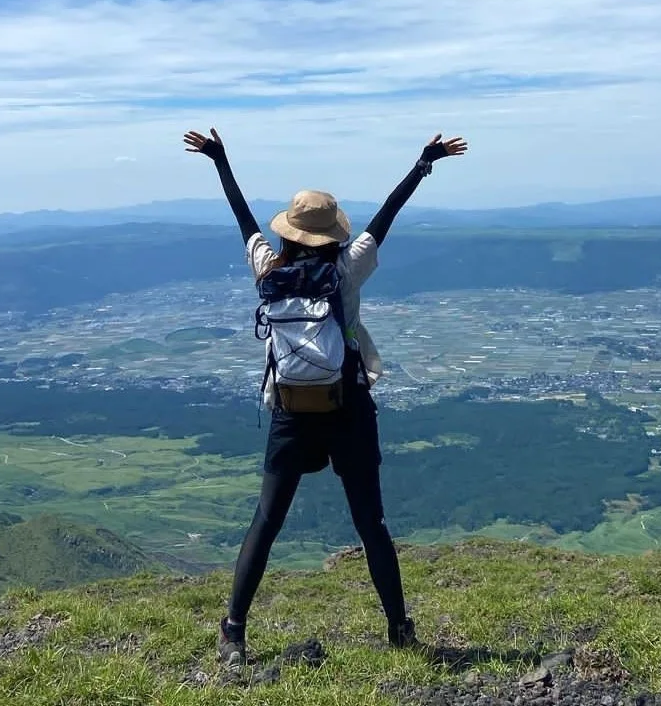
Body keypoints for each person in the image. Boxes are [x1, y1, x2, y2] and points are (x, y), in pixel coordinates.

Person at [183, 126, 469, 666]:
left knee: (266, 521)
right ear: (333, 232)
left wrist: (220, 161)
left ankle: (234, 632)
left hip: (291, 410)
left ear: (289, 230)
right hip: (348, 406)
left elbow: (242, 220)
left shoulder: (269, 269)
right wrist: (422, 163)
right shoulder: (346, 269)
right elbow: (386, 218)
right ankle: (399, 629)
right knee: (370, 523)